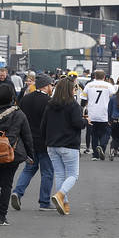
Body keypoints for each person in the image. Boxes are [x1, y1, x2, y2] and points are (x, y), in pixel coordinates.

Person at [0, 84, 34, 226]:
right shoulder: (18, 114)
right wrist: (31, 155)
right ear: (12, 97)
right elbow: (27, 137)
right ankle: (1, 217)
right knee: (7, 184)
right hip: (12, 153)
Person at [42, 77, 86, 215]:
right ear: (70, 90)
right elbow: (78, 123)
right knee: (73, 175)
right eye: (74, 88)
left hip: (52, 145)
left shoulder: (50, 104)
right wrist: (86, 121)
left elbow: (43, 125)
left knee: (60, 174)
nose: (75, 91)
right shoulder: (74, 105)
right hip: (69, 144)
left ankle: (64, 203)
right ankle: (61, 195)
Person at [11, 74, 55, 211]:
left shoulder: (26, 99)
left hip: (28, 141)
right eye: (51, 85)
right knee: (47, 172)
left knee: (29, 169)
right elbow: (50, 123)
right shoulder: (49, 102)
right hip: (44, 141)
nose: (52, 87)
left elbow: (19, 118)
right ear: (46, 86)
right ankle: (44, 201)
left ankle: (17, 192)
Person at [82, 70, 116, 160]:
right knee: (105, 133)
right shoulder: (109, 86)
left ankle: (95, 155)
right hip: (105, 113)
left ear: (94, 76)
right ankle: (102, 147)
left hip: (92, 113)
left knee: (94, 134)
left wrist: (83, 110)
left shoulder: (89, 85)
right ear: (104, 77)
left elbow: (83, 99)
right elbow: (114, 99)